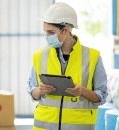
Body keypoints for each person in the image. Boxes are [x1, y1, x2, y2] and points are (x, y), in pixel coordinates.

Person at [27, 2, 107, 130]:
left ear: (65, 30)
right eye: (45, 32)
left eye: (51, 32)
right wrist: (40, 91)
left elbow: (101, 96)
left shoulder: (93, 57)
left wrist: (82, 91)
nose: (47, 36)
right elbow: (32, 92)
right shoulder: (40, 56)